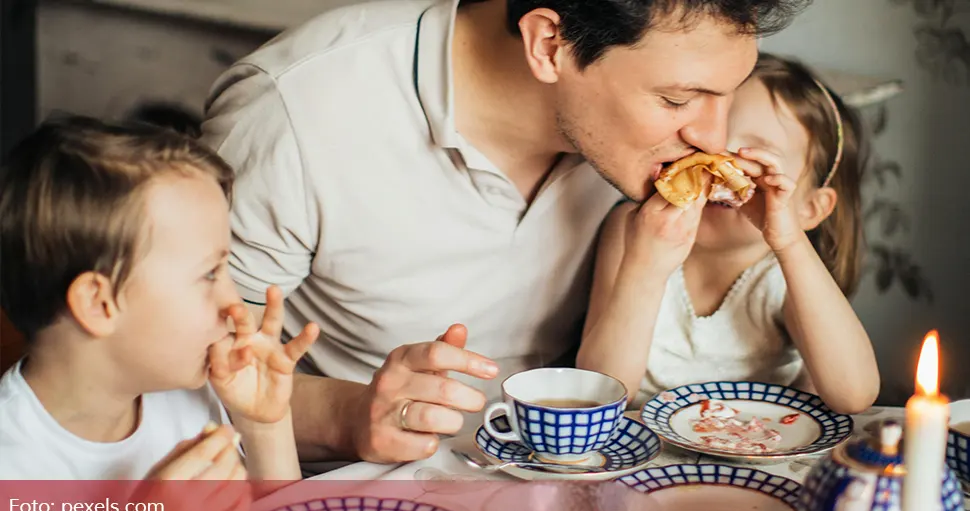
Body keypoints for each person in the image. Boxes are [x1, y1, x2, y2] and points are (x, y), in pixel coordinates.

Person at [200, 0, 812, 464]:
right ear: (549, 44)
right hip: (359, 483)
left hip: (576, 469)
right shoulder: (296, 111)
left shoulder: (638, 146)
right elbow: (187, 371)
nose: (713, 135)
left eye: (726, 96)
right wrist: (351, 415)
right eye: (679, 100)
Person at [0, 116, 319, 495]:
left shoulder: (189, 394)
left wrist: (265, 427)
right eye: (209, 274)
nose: (234, 305)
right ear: (100, 304)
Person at [576, 53, 880, 414]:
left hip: (757, 452)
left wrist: (790, 241)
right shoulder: (634, 230)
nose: (720, 168)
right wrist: (645, 267)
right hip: (648, 452)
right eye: (709, 148)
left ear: (809, 209)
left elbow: (855, 394)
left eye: (754, 159)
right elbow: (598, 395)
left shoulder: (784, 274)